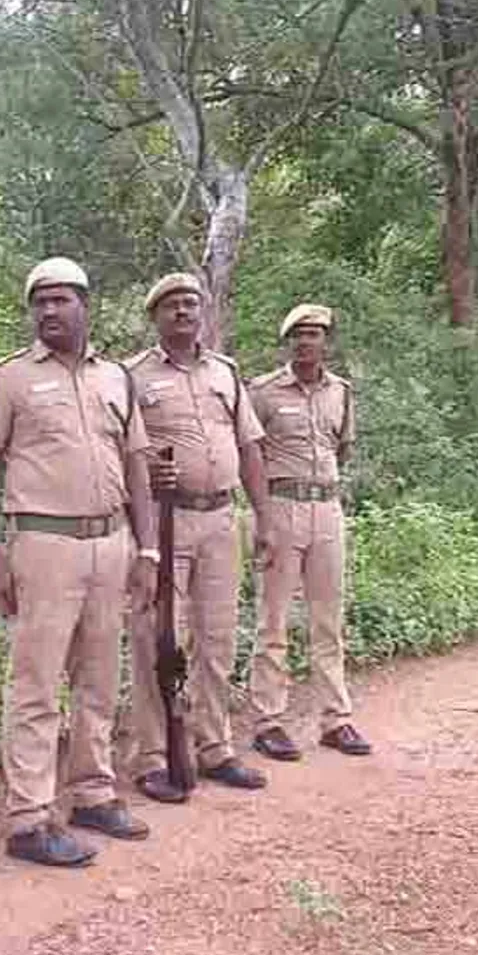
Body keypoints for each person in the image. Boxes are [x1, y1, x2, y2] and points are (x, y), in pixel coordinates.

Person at [0, 255, 160, 868]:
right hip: (43, 545)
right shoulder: (11, 379)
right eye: (39, 302)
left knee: (101, 675)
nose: (50, 310)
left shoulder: (116, 379)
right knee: (37, 681)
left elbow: (136, 466)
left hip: (113, 543)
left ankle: (93, 792)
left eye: (61, 300)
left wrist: (147, 548)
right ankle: (28, 818)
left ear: (85, 305)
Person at [121, 272, 274, 804]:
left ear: (202, 312)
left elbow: (251, 446)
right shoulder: (132, 376)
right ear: (156, 316)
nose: (183, 311)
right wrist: (143, 483)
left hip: (220, 521)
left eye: (190, 303)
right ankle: (153, 756)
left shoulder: (226, 374)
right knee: (157, 638)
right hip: (165, 523)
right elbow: (120, 452)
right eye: (171, 305)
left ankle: (215, 747)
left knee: (218, 636)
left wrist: (265, 516)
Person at [247, 303, 373, 761]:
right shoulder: (261, 391)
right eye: (298, 334)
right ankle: (268, 721)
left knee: (328, 619)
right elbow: (251, 456)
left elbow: (342, 449)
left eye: (315, 334)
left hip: (327, 507)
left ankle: (335, 719)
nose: (306, 341)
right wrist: (261, 516)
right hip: (281, 506)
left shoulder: (340, 392)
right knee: (274, 619)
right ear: (287, 341)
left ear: (326, 341)